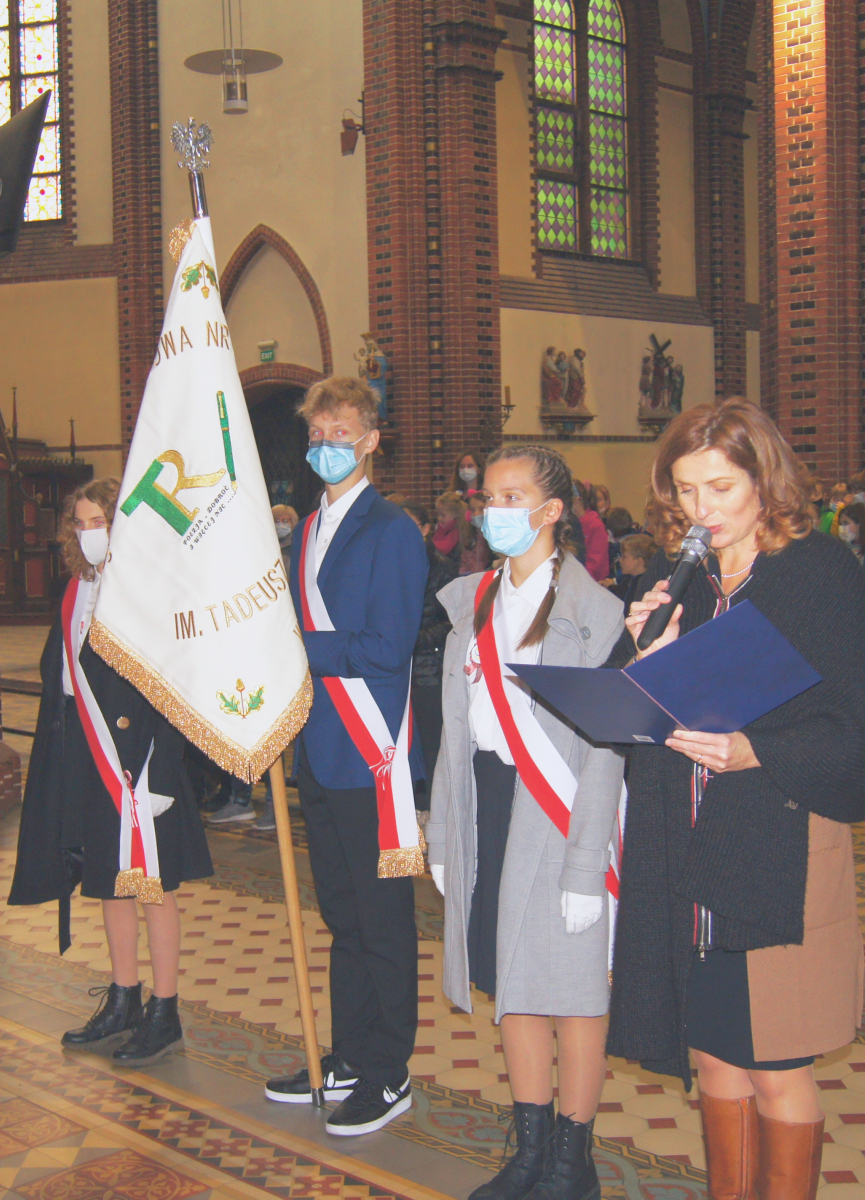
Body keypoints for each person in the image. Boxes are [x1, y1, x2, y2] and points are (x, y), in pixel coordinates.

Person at [611, 400, 865, 1200]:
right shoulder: (679, 574)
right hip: (689, 843)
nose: (702, 510)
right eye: (685, 491)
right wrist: (644, 650)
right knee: (715, 1060)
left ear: (764, 480)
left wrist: (755, 749)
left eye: (721, 488)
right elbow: (631, 712)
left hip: (778, 837)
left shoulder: (814, 571)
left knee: (775, 1062)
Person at [426, 445, 626, 1200]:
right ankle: (531, 1151)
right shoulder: (472, 601)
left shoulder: (594, 612)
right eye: (489, 497)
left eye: (513, 497)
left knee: (571, 989)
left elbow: (607, 747)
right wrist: (443, 834)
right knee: (511, 981)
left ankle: (573, 1162)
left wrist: (586, 865)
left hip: (562, 810)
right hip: (488, 799)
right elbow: (452, 728)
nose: (495, 510)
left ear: (552, 511)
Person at [8, 479, 214, 1066]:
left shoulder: (148, 589)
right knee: (108, 881)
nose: (88, 532)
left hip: (142, 763)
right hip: (89, 755)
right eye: (79, 523)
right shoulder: (78, 589)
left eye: (99, 521)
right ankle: (124, 998)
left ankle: (165, 1011)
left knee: (153, 887)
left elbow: (172, 683)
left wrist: (159, 770)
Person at [270, 375, 428, 1136]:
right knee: (342, 915)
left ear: (370, 440)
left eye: (341, 433)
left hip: (371, 755)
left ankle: (389, 1069)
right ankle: (351, 1054)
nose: (327, 446)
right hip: (319, 749)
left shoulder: (392, 530)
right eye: (317, 434)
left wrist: (297, 647)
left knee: (383, 920)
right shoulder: (304, 531)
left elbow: (386, 648)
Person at [404, 499, 458, 813]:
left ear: (426, 529)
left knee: (430, 744)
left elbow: (452, 622)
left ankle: (432, 812)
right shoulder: (386, 563)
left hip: (429, 670)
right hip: (397, 670)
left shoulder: (442, 568)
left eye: (410, 525)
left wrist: (413, 641)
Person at [571, 480, 611, 581]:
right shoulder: (568, 523)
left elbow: (596, 560)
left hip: (591, 581)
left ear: (577, 499)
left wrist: (579, 579)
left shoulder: (594, 524)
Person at [616, 532, 656, 606]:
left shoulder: (643, 587)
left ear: (640, 561)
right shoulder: (628, 580)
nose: (620, 560)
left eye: (624, 557)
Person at [834, 502, 865, 567]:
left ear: (859, 524)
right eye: (840, 524)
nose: (842, 528)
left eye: (846, 523)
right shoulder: (838, 548)